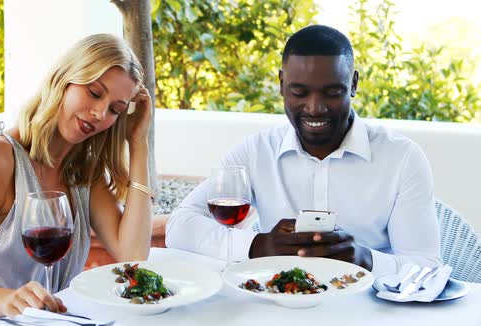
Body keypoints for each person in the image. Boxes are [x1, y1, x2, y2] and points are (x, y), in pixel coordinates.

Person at [165, 25, 442, 277]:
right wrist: (260, 245)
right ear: (282, 84)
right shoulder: (254, 152)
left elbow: (426, 266)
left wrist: (365, 259)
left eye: (332, 92)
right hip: (278, 306)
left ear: (354, 84)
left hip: (372, 312)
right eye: (299, 92)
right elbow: (180, 226)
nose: (315, 108)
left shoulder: (402, 158)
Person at [0, 34, 154, 326]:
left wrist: (138, 143)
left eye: (115, 110)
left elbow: (133, 254)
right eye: (94, 93)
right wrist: (9, 300)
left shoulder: (84, 172)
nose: (99, 114)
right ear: (64, 79)